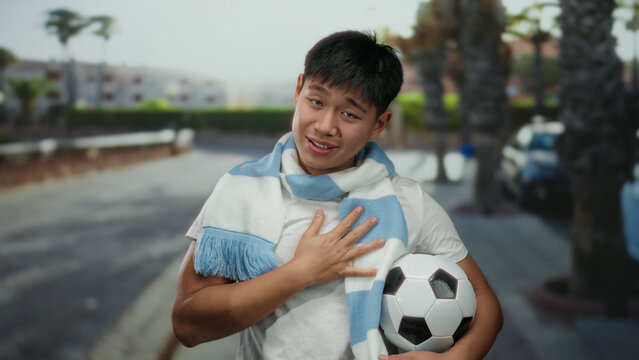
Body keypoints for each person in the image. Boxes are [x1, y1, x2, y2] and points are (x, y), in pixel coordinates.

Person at [172, 30, 502, 360]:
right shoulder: (242, 190)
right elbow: (188, 325)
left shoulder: (408, 201)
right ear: (298, 90)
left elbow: (486, 304)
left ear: (379, 124)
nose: (325, 125)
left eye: (350, 114)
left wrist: (456, 358)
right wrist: (301, 272)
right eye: (316, 101)